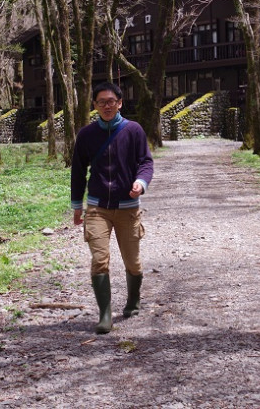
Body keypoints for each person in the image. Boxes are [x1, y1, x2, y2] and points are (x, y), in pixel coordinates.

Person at [71, 82, 154, 334]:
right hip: (97, 208)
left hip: (128, 208)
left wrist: (140, 183)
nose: (106, 106)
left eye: (111, 101)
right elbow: (77, 171)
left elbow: (146, 163)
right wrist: (77, 205)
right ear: (94, 105)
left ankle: (133, 300)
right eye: (101, 102)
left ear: (119, 103)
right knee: (99, 259)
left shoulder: (134, 130)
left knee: (133, 261)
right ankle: (105, 314)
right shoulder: (86, 135)